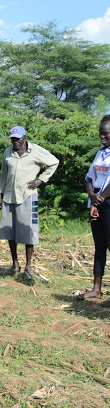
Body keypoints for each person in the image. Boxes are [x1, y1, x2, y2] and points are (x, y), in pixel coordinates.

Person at [0, 126, 59, 278]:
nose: (15, 142)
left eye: (17, 139)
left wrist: (41, 180)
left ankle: (28, 267)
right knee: (10, 232)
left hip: (27, 196)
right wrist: (0, 194)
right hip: (10, 196)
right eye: (12, 139)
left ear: (24, 137)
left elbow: (54, 162)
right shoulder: (7, 152)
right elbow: (4, 174)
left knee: (28, 233)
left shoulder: (35, 151)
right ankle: (15, 264)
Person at [78, 115, 110, 301]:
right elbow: (89, 177)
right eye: (100, 134)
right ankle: (96, 289)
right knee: (99, 246)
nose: (102, 137)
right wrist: (92, 196)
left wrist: (100, 199)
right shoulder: (101, 152)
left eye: (105, 134)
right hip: (97, 202)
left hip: (107, 202)